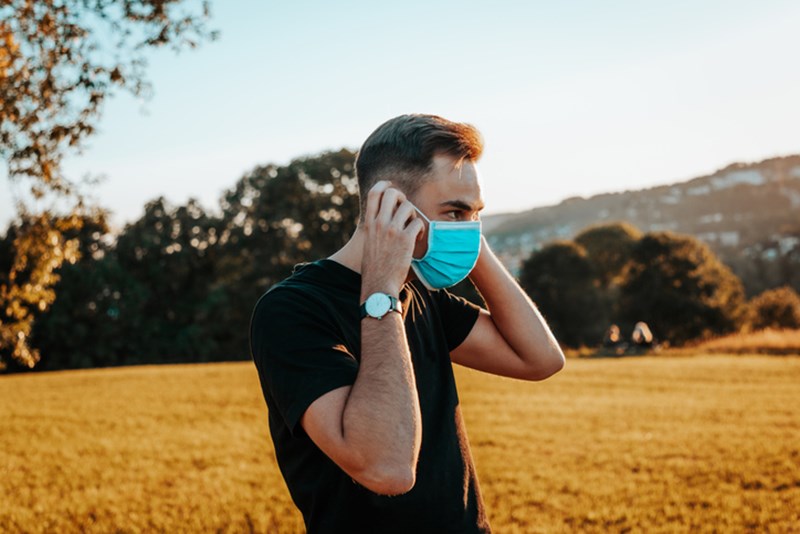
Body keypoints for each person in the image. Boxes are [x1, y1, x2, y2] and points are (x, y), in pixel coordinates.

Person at [249, 114, 565, 533]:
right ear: (390, 205)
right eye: (454, 211)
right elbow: (387, 467)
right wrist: (380, 288)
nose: (468, 227)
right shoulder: (292, 309)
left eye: (476, 214)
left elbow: (540, 360)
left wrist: (471, 243)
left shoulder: (423, 294)